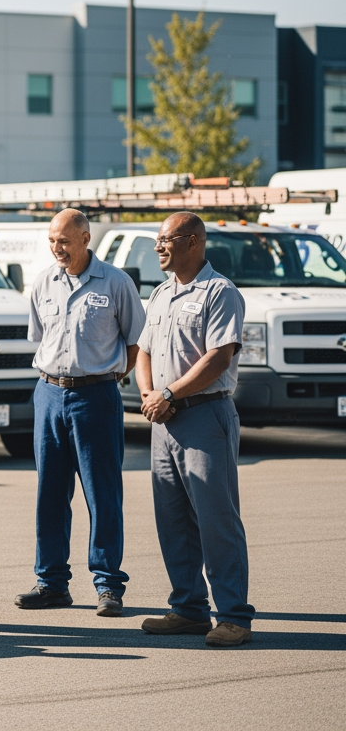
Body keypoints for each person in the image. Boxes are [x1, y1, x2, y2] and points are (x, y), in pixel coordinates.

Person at [15, 209, 145, 618]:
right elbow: (40, 337)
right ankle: (51, 583)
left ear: (86, 239)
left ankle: (108, 585)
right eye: (52, 241)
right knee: (49, 495)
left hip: (96, 398)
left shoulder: (116, 283)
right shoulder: (43, 282)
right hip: (49, 394)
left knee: (102, 494)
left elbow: (136, 341)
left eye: (65, 242)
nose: (57, 249)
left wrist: (110, 377)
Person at [136, 212, 254, 647]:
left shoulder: (219, 292)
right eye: (158, 240)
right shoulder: (162, 293)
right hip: (163, 419)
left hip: (204, 415)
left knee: (216, 519)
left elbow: (219, 357)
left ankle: (234, 616)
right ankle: (188, 609)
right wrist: (151, 394)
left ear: (193, 242)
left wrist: (170, 394)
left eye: (165, 240)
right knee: (173, 520)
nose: (158, 247)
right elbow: (144, 351)